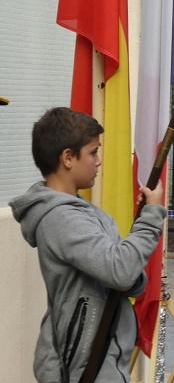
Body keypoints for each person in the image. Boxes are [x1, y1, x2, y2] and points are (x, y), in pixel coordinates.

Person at [10, 107, 165, 382]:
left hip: (103, 359)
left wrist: (129, 269)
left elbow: (128, 279)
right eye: (93, 152)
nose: (98, 161)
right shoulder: (61, 218)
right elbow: (121, 270)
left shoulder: (85, 214)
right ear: (68, 158)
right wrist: (151, 216)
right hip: (82, 364)